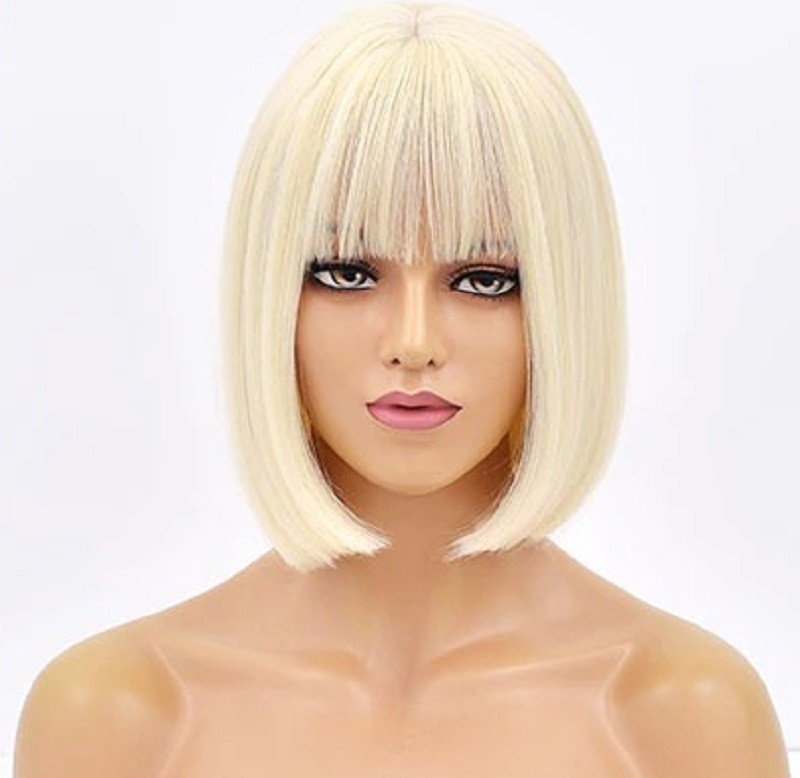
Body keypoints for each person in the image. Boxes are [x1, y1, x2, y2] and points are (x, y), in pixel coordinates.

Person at [14, 3, 790, 776]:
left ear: (563, 303)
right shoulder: (120, 717)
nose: (413, 343)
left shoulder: (679, 716)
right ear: (271, 296)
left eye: (484, 280)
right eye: (347, 274)